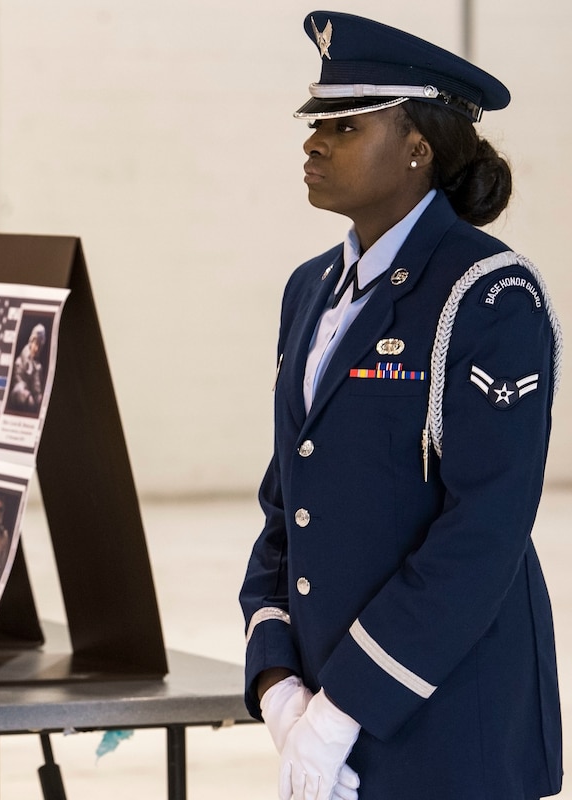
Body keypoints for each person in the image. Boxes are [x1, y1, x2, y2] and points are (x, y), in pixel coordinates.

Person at [239, 12, 562, 800]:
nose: (313, 143)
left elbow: (482, 532)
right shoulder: (310, 290)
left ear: (417, 147)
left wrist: (343, 710)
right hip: (324, 718)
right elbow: (291, 500)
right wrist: (280, 686)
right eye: (315, 124)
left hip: (446, 726)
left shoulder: (488, 294)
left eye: (344, 125)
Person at [8, 323, 46, 413]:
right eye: (36, 343)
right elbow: (18, 382)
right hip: (18, 395)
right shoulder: (20, 360)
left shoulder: (37, 367)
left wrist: (39, 398)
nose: (36, 348)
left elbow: (36, 389)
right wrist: (28, 396)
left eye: (39, 346)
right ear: (31, 341)